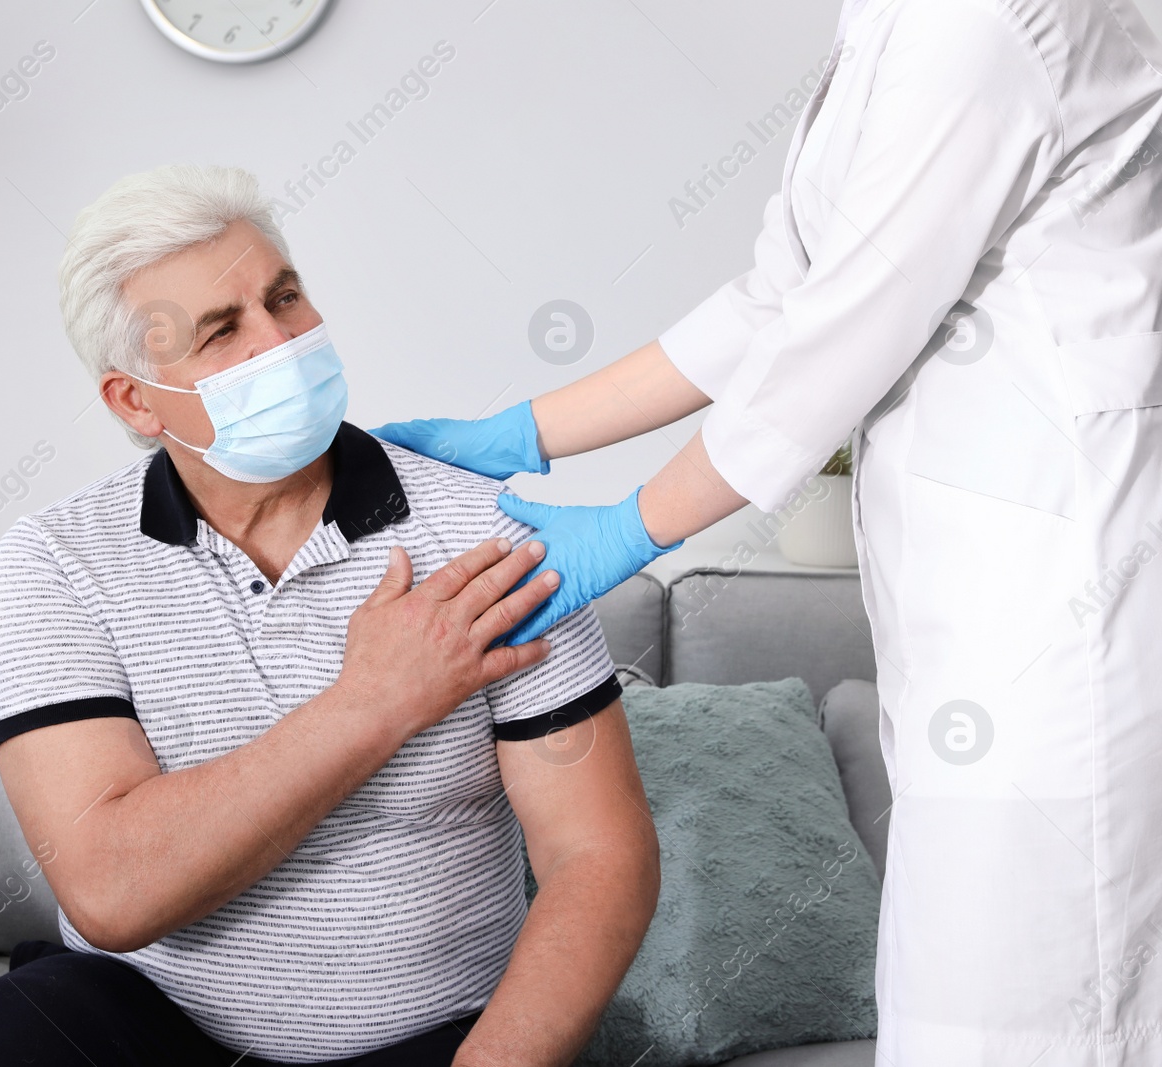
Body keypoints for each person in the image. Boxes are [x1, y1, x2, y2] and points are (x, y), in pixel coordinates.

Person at [375, 0, 1162, 1063]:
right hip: (978, 632)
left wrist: (626, 528)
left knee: (1042, 1014)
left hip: (1066, 625)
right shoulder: (891, 21)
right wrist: (526, 429)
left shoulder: (987, 21)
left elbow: (844, 329)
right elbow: (777, 296)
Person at [0, 164, 661, 1067]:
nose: (280, 342)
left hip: (430, 1037)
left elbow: (599, 855)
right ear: (136, 398)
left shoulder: (481, 528)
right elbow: (113, 889)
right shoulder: (55, 564)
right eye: (222, 331)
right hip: (158, 1030)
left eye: (285, 298)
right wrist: (372, 703)